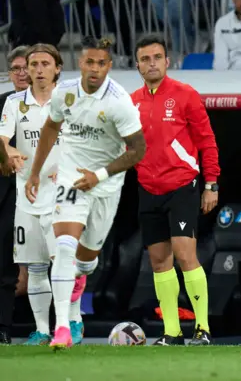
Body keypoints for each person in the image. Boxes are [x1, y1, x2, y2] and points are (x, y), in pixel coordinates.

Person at [25, 36, 146, 350]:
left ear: (109, 65)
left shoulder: (119, 101)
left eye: (101, 63)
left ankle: (81, 275)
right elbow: (51, 127)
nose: (94, 69)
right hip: (70, 179)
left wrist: (101, 175)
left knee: (87, 259)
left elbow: (138, 150)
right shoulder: (64, 92)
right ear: (80, 62)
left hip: (105, 185)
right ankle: (63, 328)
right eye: (89, 62)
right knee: (64, 247)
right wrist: (36, 171)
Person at [131, 34, 220, 346]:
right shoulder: (132, 102)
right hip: (147, 188)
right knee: (158, 260)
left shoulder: (185, 95)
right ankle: (171, 331)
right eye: (145, 58)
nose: (152, 63)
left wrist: (211, 184)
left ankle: (203, 328)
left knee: (185, 254)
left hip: (183, 185)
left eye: (157, 57)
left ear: (167, 61)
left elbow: (207, 141)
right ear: (138, 65)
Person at [0, 44, 87, 346]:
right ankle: (42, 329)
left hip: (63, 194)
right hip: (28, 194)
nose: (37, 69)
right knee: (35, 266)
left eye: (44, 63)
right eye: (33, 64)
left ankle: (70, 323)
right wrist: (9, 153)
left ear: (57, 68)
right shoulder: (14, 103)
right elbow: (3, 139)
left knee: (63, 262)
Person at [0, 46, 30, 343]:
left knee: (46, 262)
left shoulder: (52, 106)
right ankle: (3, 329)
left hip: (40, 193)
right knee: (5, 263)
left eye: (26, 67)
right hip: (6, 193)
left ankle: (54, 326)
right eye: (16, 69)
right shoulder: (2, 104)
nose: (22, 74)